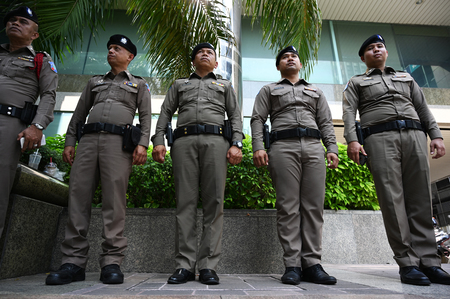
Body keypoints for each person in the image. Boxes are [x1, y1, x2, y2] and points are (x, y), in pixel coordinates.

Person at [342, 34, 450, 286]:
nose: (376, 50)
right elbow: (348, 112)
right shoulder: (356, 81)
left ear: (386, 52)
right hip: (379, 138)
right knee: (392, 199)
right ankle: (408, 263)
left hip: (414, 135)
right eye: (370, 48)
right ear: (363, 57)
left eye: (380, 46)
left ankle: (430, 263)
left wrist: (436, 135)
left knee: (421, 199)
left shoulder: (406, 77)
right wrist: (352, 140)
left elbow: (423, 108)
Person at [45, 34, 151, 285]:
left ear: (130, 57)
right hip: (88, 142)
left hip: (118, 145)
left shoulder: (139, 84)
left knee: (114, 202)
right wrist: (70, 141)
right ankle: (73, 262)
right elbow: (79, 114)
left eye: (117, 48)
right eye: (110, 48)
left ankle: (112, 262)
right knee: (78, 197)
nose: (111, 51)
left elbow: (146, 118)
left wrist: (143, 145)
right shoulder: (94, 82)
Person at [151, 42, 243, 285]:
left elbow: (235, 115)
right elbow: (165, 112)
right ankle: (184, 266)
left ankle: (208, 267)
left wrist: (237, 143)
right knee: (185, 203)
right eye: (200, 52)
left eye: (210, 52)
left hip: (216, 143)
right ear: (193, 61)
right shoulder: (180, 84)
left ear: (215, 62)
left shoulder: (224, 85)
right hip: (183, 143)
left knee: (214, 202)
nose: (204, 53)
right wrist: (158, 140)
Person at [251, 46, 339, 285]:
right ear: (278, 66)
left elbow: (326, 122)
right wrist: (258, 146)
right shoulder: (269, 89)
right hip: (282, 146)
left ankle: (312, 264)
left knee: (313, 207)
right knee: (288, 206)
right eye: (284, 57)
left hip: (313, 147)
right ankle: (292, 265)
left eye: (294, 56)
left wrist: (332, 148)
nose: (290, 58)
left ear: (300, 64)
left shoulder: (315, 91)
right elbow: (258, 118)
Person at [0, 6, 58, 237]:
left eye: (23, 21)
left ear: (34, 34)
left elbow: (49, 96)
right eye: (12, 20)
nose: (15, 23)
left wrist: (37, 126)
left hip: (9, 125)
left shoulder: (41, 60)